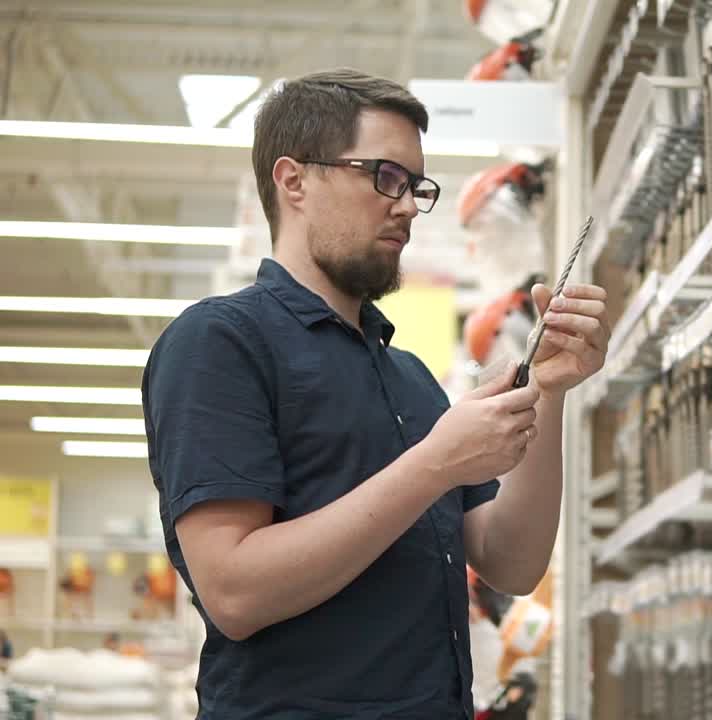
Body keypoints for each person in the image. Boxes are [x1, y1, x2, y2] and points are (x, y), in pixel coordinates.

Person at [142, 68, 610, 718]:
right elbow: (234, 592)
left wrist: (550, 391)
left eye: (417, 186)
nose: (408, 206)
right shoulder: (220, 344)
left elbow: (511, 562)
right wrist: (435, 463)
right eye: (384, 177)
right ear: (294, 180)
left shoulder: (410, 380)